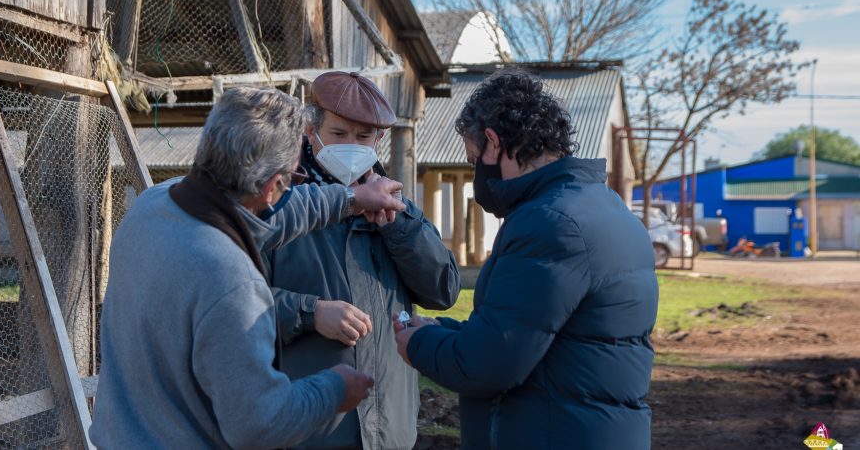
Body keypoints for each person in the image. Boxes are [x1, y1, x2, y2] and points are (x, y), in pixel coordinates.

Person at [90, 86, 408, 449]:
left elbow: (273, 214)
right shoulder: (232, 281)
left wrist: (351, 198)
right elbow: (260, 423)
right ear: (273, 185)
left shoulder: (153, 206)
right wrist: (334, 388)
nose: (293, 187)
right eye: (292, 179)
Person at [393, 70, 659, 449]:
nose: (476, 175)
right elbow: (531, 331)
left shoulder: (551, 222)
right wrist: (441, 329)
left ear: (493, 142)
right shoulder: (606, 208)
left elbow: (490, 364)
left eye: (473, 161)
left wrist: (416, 344)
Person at [265, 71, 461, 449]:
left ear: (379, 140)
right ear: (311, 131)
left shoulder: (399, 210)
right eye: (339, 135)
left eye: (363, 136)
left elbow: (444, 290)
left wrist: (400, 228)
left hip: (389, 431)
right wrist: (310, 312)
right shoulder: (280, 207)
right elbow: (234, 303)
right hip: (310, 430)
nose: (351, 145)